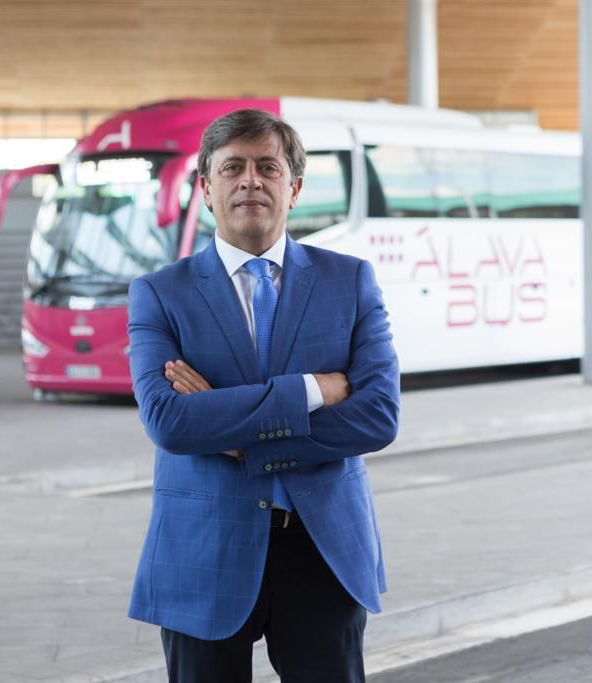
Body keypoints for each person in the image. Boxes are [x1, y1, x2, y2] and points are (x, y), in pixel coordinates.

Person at [125, 108, 400, 682]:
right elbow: (170, 422)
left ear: (293, 187)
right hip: (203, 551)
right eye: (232, 168)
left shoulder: (350, 281)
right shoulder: (160, 293)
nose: (250, 180)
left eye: (267, 167)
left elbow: (377, 416)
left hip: (323, 551)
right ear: (206, 188)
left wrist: (239, 438)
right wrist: (312, 389)